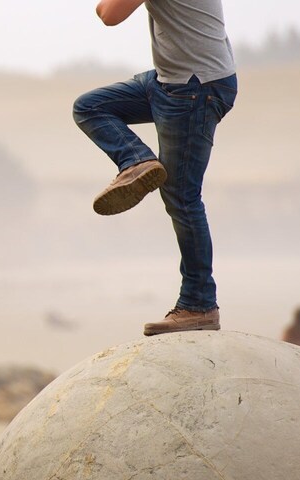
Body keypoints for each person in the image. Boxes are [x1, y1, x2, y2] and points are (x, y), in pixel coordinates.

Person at [77, 0, 240, 336]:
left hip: (194, 89)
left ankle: (199, 305)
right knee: (90, 107)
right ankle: (136, 160)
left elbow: (108, 14)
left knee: (182, 197)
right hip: (175, 81)